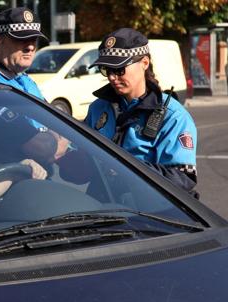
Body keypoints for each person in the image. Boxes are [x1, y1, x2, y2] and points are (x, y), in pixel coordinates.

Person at [82, 28, 198, 195]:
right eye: (107, 70)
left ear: (144, 62)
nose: (112, 77)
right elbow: (82, 168)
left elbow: (181, 178)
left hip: (150, 213)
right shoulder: (98, 108)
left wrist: (125, 170)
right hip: (102, 208)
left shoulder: (173, 116)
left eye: (119, 69)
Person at [0, 7, 70, 168]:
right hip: (8, 184)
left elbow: (62, 126)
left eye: (34, 39)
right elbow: (43, 148)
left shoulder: (25, 80)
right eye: (21, 39)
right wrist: (59, 139)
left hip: (36, 180)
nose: (30, 47)